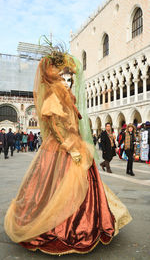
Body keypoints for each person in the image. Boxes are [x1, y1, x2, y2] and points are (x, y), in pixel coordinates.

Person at [4, 47, 132, 255]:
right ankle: (59, 225)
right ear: (54, 78)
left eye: (70, 79)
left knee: (87, 186)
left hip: (76, 145)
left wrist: (77, 144)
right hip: (62, 149)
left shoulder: (68, 98)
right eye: (63, 78)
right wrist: (70, 148)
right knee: (55, 187)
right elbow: (56, 129)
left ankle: (88, 221)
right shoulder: (53, 100)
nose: (68, 82)